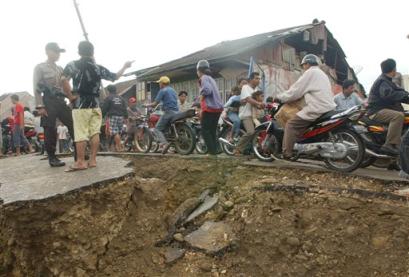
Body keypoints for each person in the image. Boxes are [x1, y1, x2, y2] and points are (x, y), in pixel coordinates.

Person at [63, 41, 133, 171]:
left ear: (78, 52)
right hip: (96, 104)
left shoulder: (73, 65)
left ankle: (80, 162)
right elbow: (115, 76)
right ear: (92, 52)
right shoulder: (97, 67)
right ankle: (93, 160)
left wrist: (70, 96)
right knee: (95, 133)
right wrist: (125, 66)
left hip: (80, 105)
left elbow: (63, 79)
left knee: (80, 134)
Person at [275, 54, 336, 159]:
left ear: (307, 64)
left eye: (303, 65)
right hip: (328, 107)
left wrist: (280, 98)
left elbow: (295, 90)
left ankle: (287, 153)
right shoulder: (322, 74)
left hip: (317, 108)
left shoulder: (310, 72)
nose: (303, 67)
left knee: (291, 125)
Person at [33, 42, 75, 167]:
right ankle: (52, 157)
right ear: (47, 51)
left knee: (73, 124)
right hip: (48, 101)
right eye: (55, 52)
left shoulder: (60, 69)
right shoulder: (40, 67)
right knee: (50, 129)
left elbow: (65, 85)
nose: (58, 55)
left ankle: (79, 152)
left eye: (59, 52)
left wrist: (70, 97)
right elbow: (36, 88)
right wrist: (40, 107)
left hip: (61, 101)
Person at [367, 58, 409, 155]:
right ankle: (389, 144)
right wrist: (403, 95)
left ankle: (395, 156)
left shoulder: (389, 81)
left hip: (383, 110)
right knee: (398, 116)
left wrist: (406, 96)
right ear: (393, 69)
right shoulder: (382, 81)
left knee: (405, 115)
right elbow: (389, 94)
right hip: (376, 111)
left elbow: (400, 93)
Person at [197, 60, 224, 156]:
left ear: (199, 70)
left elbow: (207, 90)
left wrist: (200, 98)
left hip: (210, 108)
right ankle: (217, 150)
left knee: (205, 130)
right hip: (218, 108)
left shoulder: (203, 77)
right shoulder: (211, 78)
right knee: (212, 130)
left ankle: (212, 153)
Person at [145, 76, 179, 153]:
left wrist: (147, 105)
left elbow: (155, 104)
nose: (159, 84)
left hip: (168, 112)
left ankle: (164, 143)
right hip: (176, 112)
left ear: (162, 83)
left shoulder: (162, 90)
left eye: (159, 83)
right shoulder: (173, 90)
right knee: (165, 128)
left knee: (157, 129)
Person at [235, 72, 264, 155]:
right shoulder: (245, 87)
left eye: (259, 78)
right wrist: (258, 104)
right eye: (256, 78)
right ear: (251, 79)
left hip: (255, 115)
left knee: (261, 131)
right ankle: (238, 148)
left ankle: (256, 149)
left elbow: (257, 102)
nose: (259, 80)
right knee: (251, 132)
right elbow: (248, 99)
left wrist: (261, 105)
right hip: (246, 115)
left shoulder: (256, 90)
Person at [102, 85, 128, 152]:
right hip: (121, 116)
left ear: (108, 91)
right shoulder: (121, 98)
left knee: (115, 132)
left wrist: (102, 116)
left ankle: (119, 148)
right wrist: (126, 117)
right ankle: (118, 146)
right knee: (119, 132)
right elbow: (125, 108)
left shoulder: (108, 98)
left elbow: (104, 108)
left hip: (113, 116)